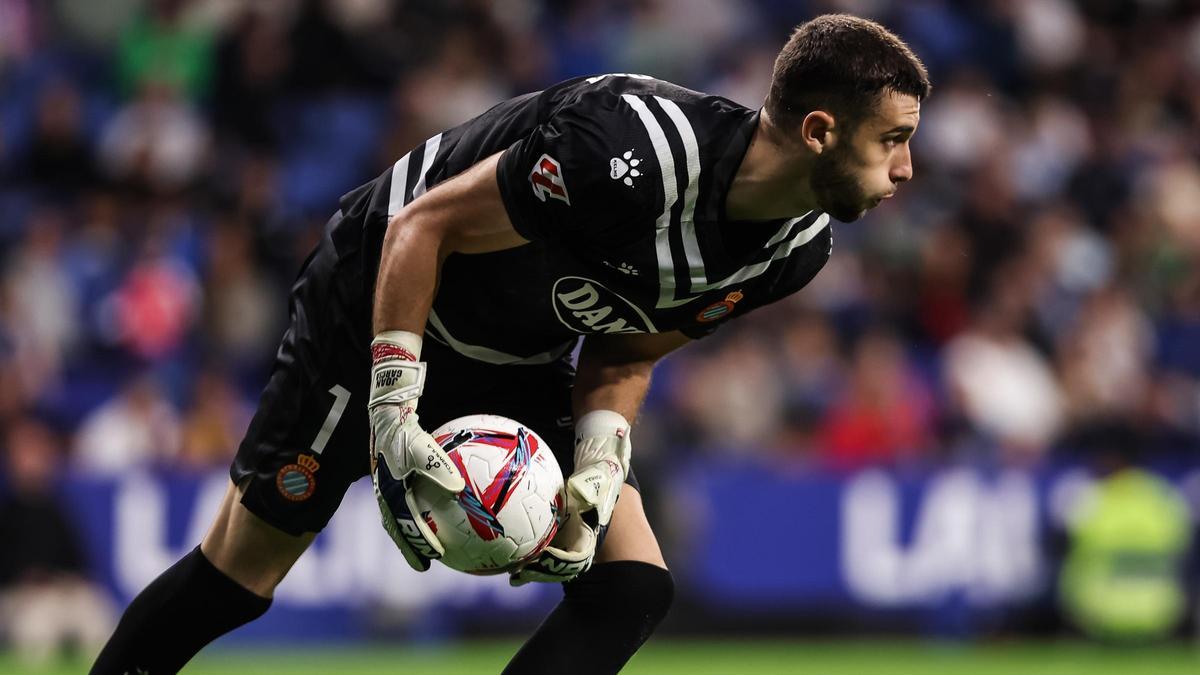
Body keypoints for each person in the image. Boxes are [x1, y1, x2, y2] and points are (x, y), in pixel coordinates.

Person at [91, 13, 929, 674]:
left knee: (632, 583)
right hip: (378, 299)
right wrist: (393, 400)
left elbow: (626, 347)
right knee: (244, 570)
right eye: (892, 139)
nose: (906, 170)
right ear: (820, 131)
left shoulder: (796, 248)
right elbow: (423, 228)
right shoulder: (626, 148)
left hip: (521, 347)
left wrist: (599, 465)